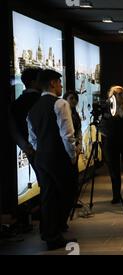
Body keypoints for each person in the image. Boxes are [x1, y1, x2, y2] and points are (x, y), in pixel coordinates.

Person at [27, 69, 79, 250]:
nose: (61, 85)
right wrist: (72, 155)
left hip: (41, 157)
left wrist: (40, 151)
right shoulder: (60, 104)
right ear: (52, 83)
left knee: (48, 195)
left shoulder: (33, 108)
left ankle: (49, 234)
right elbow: (67, 135)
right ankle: (54, 232)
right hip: (58, 156)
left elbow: (32, 137)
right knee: (68, 191)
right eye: (59, 82)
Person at [9, 68, 43, 184]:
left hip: (30, 149)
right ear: (33, 82)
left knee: (43, 182)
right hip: (46, 149)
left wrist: (25, 146)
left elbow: (13, 128)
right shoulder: (42, 101)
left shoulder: (16, 103)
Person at [63, 90, 82, 162]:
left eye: (76, 98)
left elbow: (79, 130)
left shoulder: (76, 114)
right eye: (71, 98)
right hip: (67, 148)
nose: (74, 100)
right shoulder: (63, 115)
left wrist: (79, 145)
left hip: (76, 147)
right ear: (65, 99)